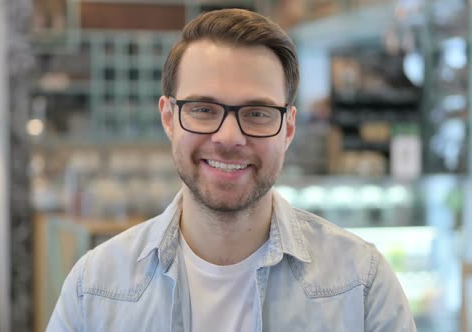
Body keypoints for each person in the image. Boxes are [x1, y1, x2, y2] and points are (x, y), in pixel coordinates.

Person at [48, 8, 416, 332]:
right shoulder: (94, 287)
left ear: (288, 128)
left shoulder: (361, 286)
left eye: (257, 113)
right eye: (203, 110)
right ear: (168, 118)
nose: (228, 137)